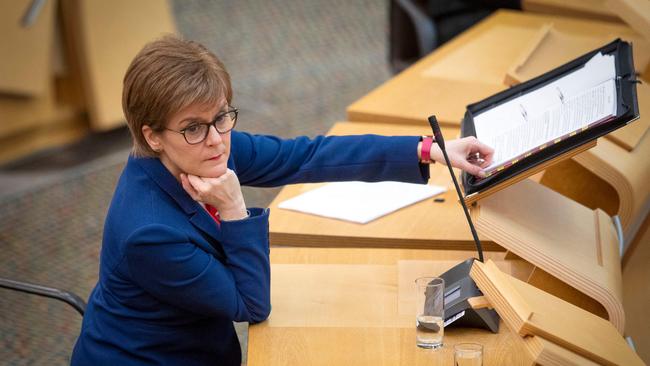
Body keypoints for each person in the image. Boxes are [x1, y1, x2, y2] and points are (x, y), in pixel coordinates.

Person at [71, 35, 493, 366]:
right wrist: (236, 211)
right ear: (152, 136)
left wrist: (430, 150)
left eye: (221, 116)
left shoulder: (202, 149)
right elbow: (251, 304)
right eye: (194, 128)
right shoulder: (149, 233)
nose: (217, 140)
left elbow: (306, 155)